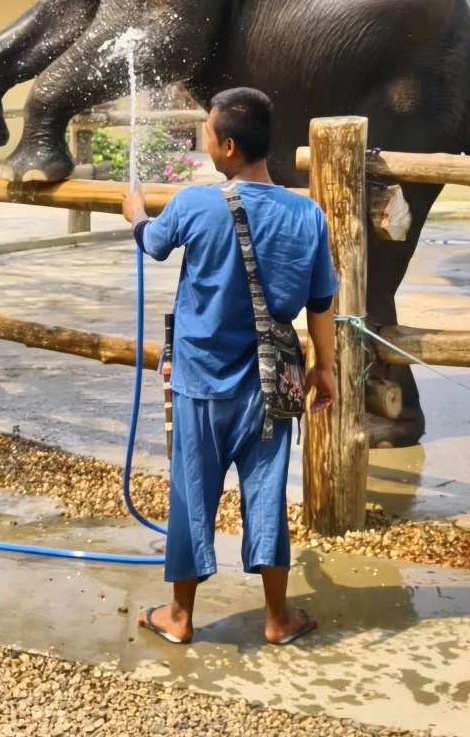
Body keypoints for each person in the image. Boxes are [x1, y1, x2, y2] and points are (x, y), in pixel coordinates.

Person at [121, 86, 338, 646]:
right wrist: (324, 369)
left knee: (193, 492)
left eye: (209, 133)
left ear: (229, 147)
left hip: (201, 381)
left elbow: (153, 244)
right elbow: (320, 304)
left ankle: (180, 615)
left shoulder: (196, 203)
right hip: (271, 384)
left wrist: (136, 215)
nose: (206, 141)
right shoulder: (307, 214)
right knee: (266, 494)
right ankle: (276, 618)